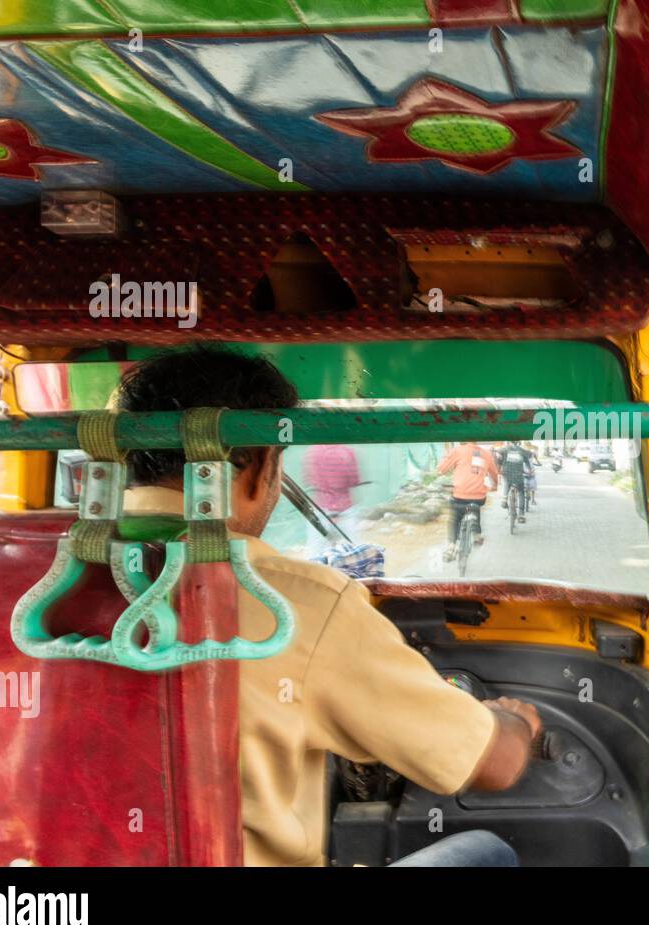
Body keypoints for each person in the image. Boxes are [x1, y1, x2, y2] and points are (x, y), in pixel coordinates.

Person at [117, 346, 542, 866]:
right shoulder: (298, 602)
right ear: (260, 466)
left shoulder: (29, 581)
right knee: (487, 852)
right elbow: (491, 763)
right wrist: (513, 721)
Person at [436, 441, 499, 561]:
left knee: (454, 518)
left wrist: (447, 456)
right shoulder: (486, 454)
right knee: (475, 506)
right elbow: (494, 474)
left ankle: (451, 546)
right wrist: (495, 485)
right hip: (479, 497)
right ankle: (476, 533)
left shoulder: (458, 451)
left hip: (459, 495)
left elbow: (441, 469)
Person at [495, 441, 534, 522]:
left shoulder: (505, 449)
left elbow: (498, 453)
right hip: (518, 475)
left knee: (506, 482)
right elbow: (527, 460)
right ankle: (521, 514)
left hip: (507, 473)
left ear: (510, 442)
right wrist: (530, 470)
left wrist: (500, 464)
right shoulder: (522, 451)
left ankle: (504, 499)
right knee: (521, 492)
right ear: (518, 443)